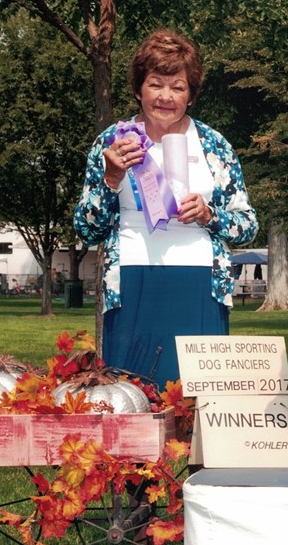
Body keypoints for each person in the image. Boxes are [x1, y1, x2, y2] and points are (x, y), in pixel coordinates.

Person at [74, 28, 258, 390]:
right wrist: (111, 178)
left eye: (178, 87)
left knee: (198, 398)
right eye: (156, 84)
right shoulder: (110, 142)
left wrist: (210, 215)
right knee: (130, 395)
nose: (165, 96)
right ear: (138, 89)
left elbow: (247, 225)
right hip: (130, 282)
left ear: (191, 95)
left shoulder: (215, 145)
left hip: (201, 283)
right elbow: (86, 230)